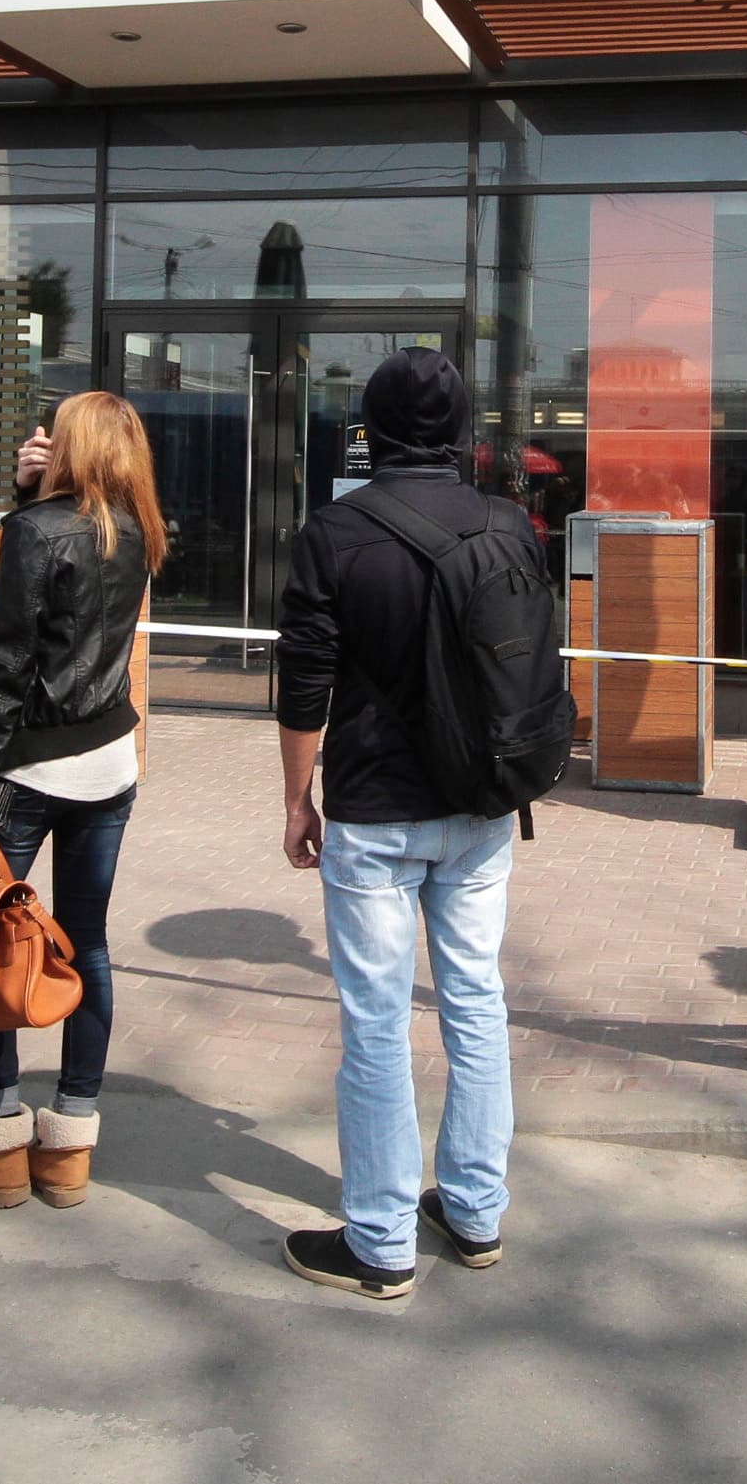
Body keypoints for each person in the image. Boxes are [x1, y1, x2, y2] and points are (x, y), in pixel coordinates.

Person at [272, 347, 525, 1298]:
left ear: (367, 432)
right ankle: (474, 1209)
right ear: (461, 433)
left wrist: (299, 797)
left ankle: (380, 1241)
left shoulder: (335, 532)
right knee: (477, 1001)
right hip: (481, 804)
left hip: (375, 809)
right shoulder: (508, 523)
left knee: (377, 1022)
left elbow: (306, 680)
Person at [0, 391, 161, 1214]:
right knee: (84, 943)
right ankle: (70, 1143)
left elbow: (7, 663)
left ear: (71, 447)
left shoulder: (38, 530)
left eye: (51, 436)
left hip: (28, 768)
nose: (37, 441)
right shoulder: (137, 527)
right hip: (106, 760)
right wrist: (33, 493)